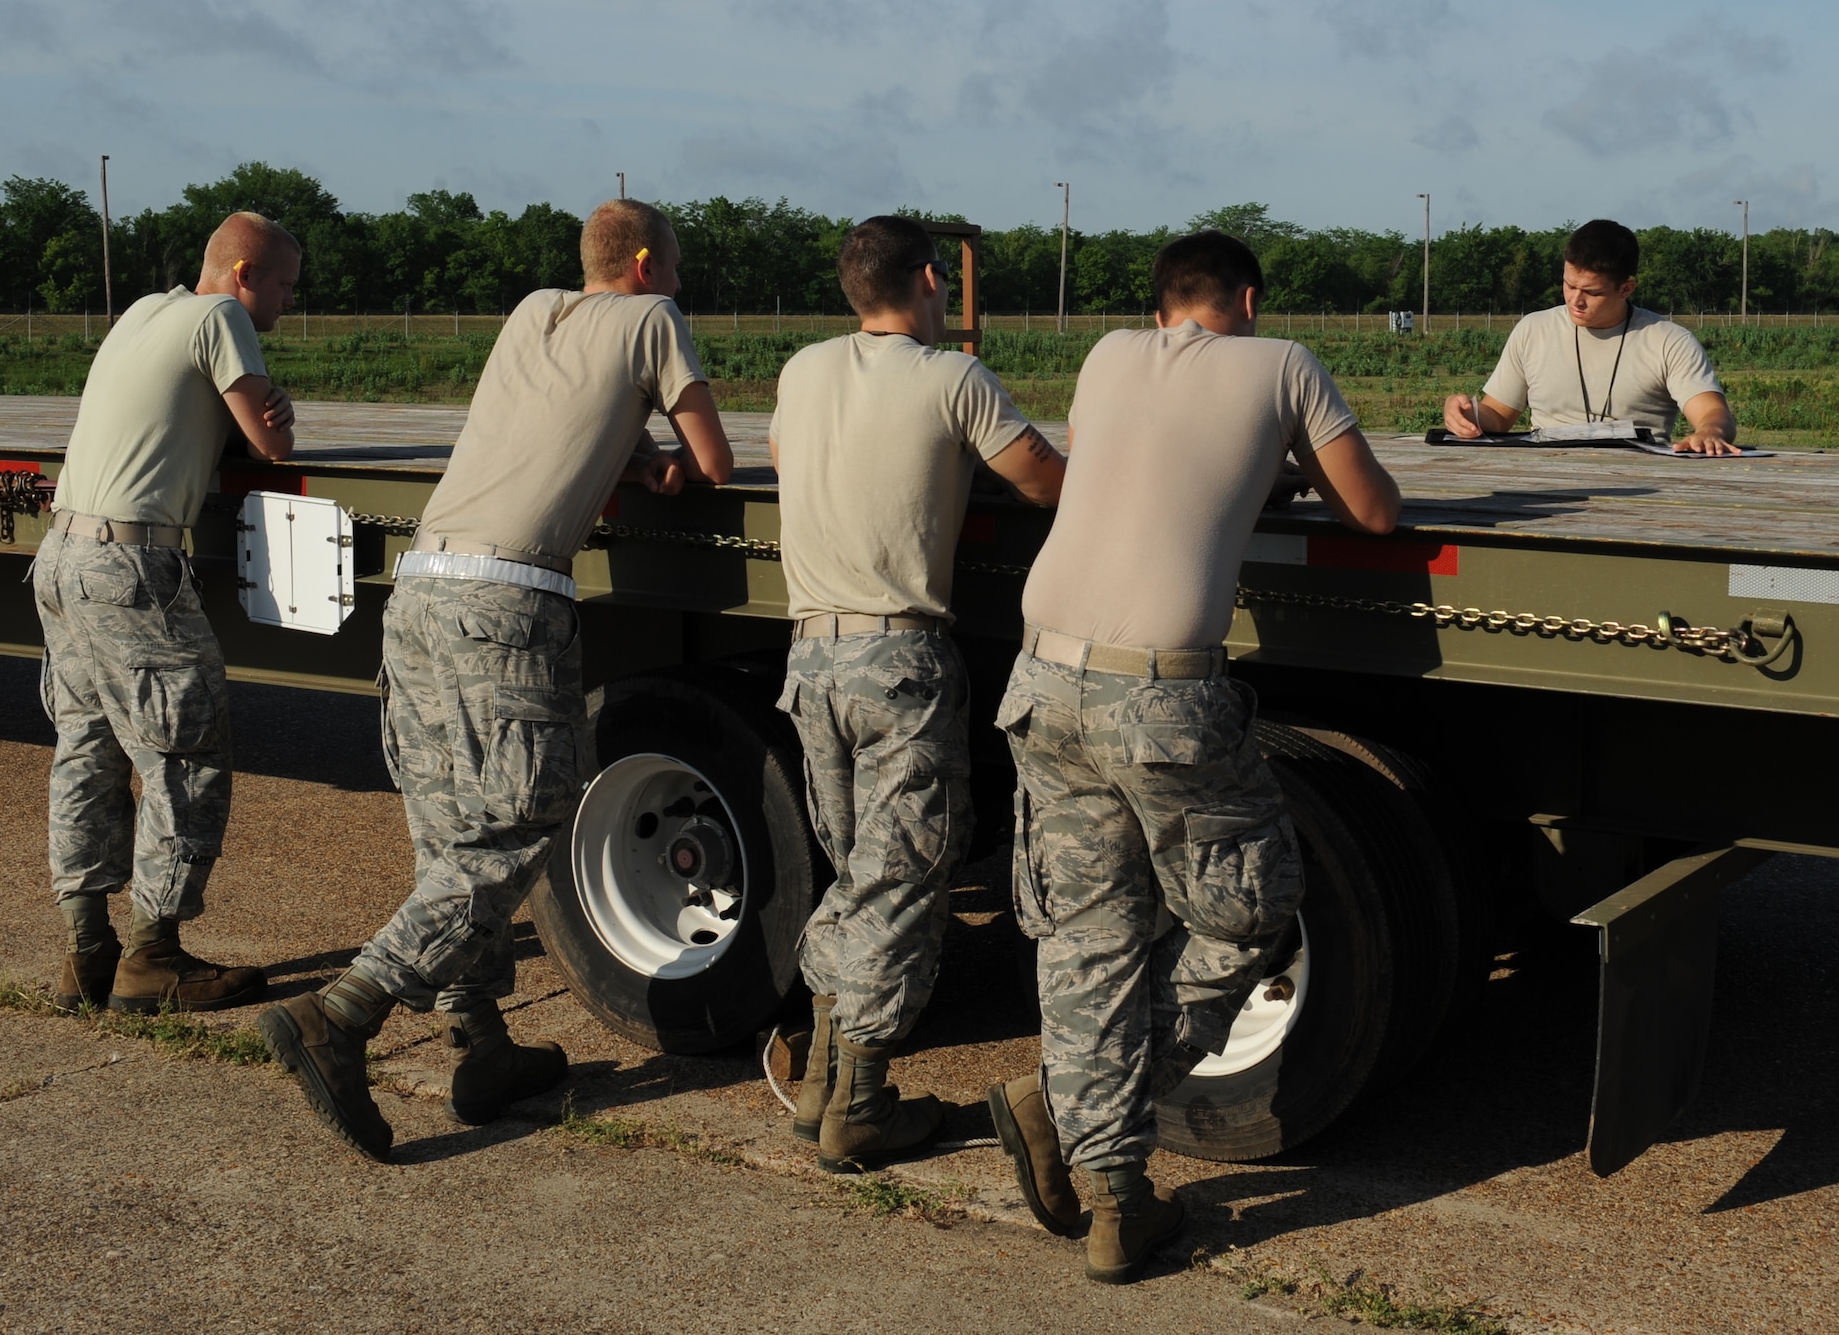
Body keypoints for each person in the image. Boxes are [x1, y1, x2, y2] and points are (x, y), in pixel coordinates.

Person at [258, 199, 734, 1161]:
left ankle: (482, 1046)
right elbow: (715, 460)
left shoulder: (532, 310)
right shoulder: (655, 320)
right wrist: (666, 467)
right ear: (644, 262)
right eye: (676, 262)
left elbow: (551, 417)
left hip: (423, 589)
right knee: (524, 818)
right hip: (508, 602)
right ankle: (344, 1012)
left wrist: (626, 456)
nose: (679, 278)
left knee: (454, 835)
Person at [986, 230, 1401, 1283]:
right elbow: (1374, 507)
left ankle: (1117, 1201)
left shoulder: (1104, 357)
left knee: (1090, 941)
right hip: (1159, 695)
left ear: (1162, 304)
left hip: (1039, 677)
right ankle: (1071, 1102)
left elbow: (1130, 472)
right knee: (1247, 907)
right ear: (1247, 298)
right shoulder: (1283, 363)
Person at [769, 216, 1067, 1174]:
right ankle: (860, 1101)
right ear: (933, 280)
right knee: (899, 883)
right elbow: (1047, 483)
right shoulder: (953, 379)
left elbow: (783, 462)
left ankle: (820, 1074)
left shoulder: (802, 371)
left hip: (810, 661)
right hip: (899, 659)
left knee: (859, 872)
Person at [37, 211, 299, 1016]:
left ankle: (88, 951)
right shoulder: (222, 318)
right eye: (285, 283)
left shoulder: (144, 311)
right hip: (131, 565)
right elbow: (273, 445)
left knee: (87, 748)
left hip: (61, 559)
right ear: (244, 273)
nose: (290, 301)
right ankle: (154, 957)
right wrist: (271, 408)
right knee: (186, 751)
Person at [1442, 218, 1741, 454]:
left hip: (1642, 486)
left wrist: (1709, 432)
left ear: (1626, 288)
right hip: (1544, 482)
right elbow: (1498, 415)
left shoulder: (1669, 341)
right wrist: (1470, 414)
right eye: (1569, 285)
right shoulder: (1533, 330)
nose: (1575, 300)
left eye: (1591, 292)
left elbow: (1713, 413)